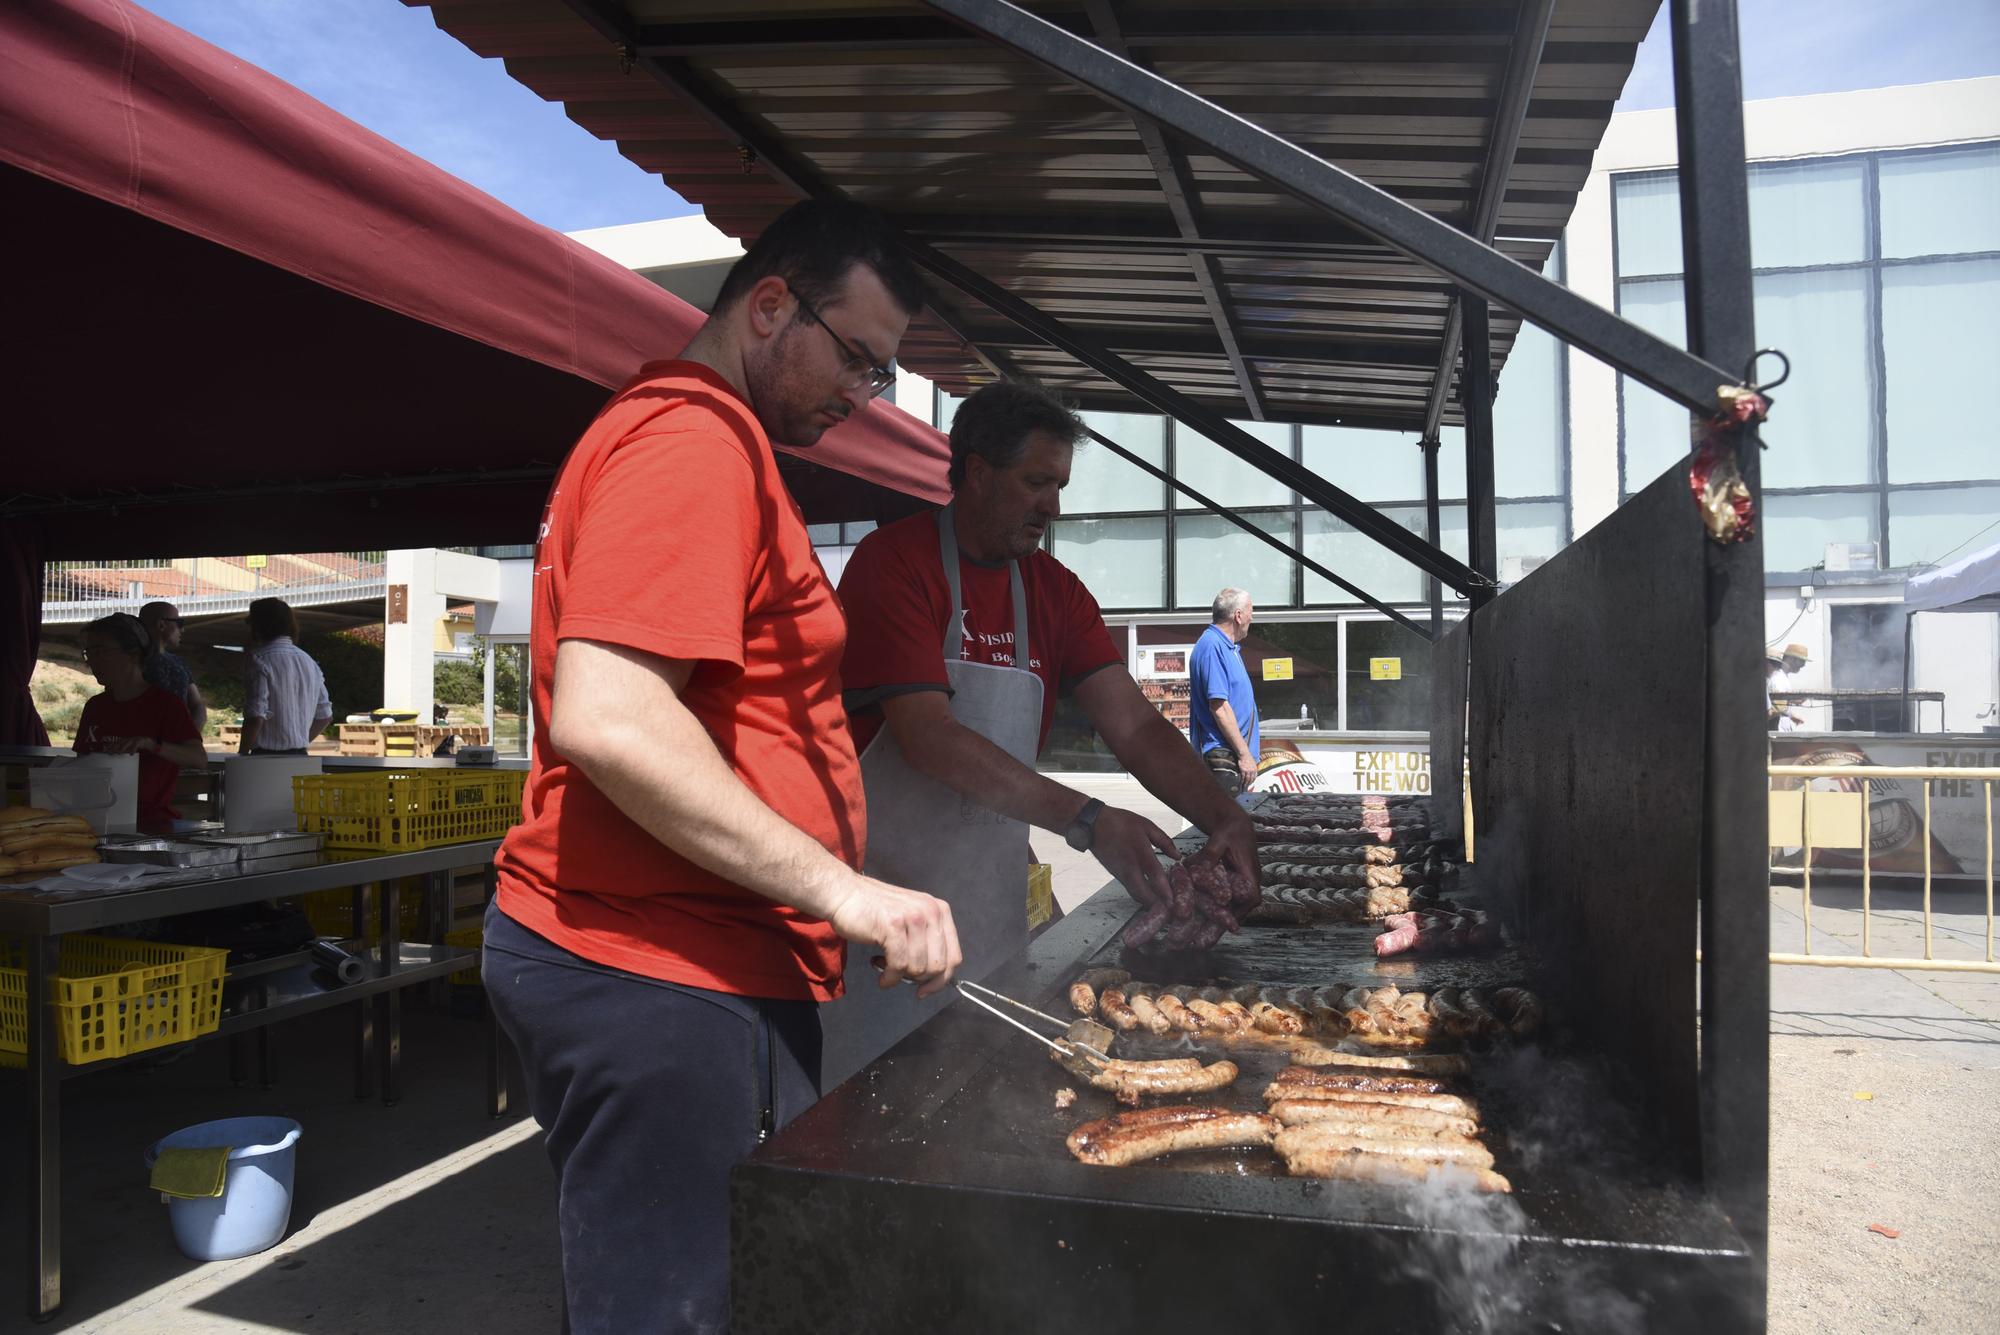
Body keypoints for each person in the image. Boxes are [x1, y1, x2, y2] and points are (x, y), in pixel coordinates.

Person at [479, 199, 960, 1335]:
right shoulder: (693, 438)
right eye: (857, 359)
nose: (861, 397)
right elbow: (613, 717)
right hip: (661, 968)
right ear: (771, 304)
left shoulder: (692, 436)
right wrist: (845, 889)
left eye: (882, 378)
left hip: (675, 954)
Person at [833, 380, 1259, 1077]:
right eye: (1035, 482)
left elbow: (1136, 726)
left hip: (996, 925)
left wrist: (1224, 817)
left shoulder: (1055, 591)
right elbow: (928, 736)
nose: (1053, 506)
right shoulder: (893, 565)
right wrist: (1088, 817)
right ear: (976, 471)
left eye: (1058, 484)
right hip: (884, 933)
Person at [73, 614, 206, 829]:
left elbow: (198, 758)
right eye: (89, 652)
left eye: (100, 651)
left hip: (151, 823)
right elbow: (82, 764)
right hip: (96, 819)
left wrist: (151, 745)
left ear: (133, 653)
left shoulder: (165, 705)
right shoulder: (95, 707)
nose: (91, 661)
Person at [1189, 587, 1260, 793]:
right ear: (1238, 616)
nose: (1252, 618)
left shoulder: (1227, 647)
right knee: (1225, 824)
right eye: (1250, 611)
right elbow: (1219, 707)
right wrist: (1244, 755)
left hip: (1230, 755)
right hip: (1222, 757)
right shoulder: (1212, 646)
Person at [238, 598, 331, 755]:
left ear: (256, 626)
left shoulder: (258, 660)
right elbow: (324, 716)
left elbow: (255, 715)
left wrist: (242, 754)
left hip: (264, 758)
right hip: (301, 757)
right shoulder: (309, 662)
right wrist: (298, 742)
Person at [139, 600, 208, 733]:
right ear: (161, 625)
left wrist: (189, 738)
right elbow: (197, 704)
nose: (182, 629)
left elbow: (197, 705)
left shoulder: (130, 661)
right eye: (179, 623)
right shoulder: (132, 662)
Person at [1766, 641, 1809, 732]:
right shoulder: (1778, 678)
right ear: (1791, 659)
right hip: (1777, 729)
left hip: (1782, 728)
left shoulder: (1783, 677)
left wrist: (1792, 700)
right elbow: (1778, 706)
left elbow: (1781, 702)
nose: (1803, 665)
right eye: (1801, 661)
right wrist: (1791, 713)